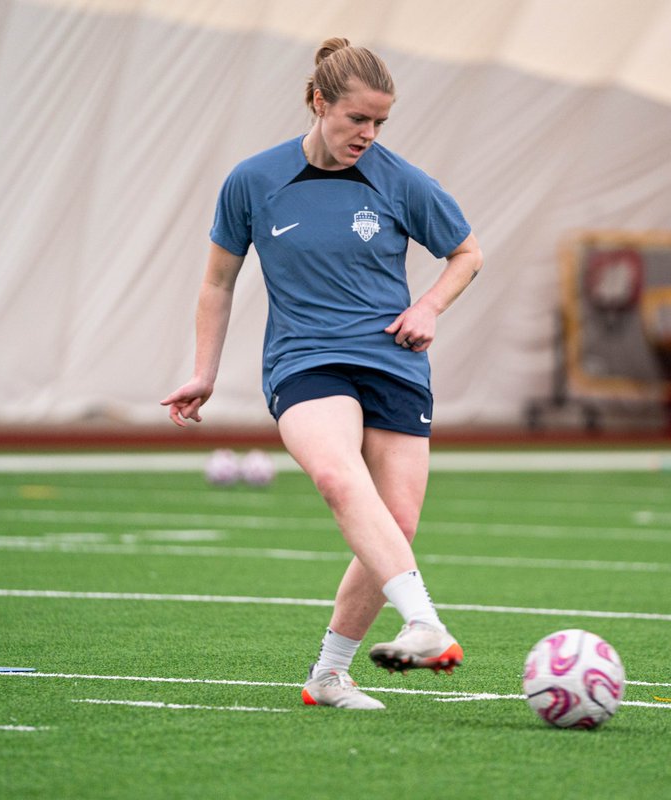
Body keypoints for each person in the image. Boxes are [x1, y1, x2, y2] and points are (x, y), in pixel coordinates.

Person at [161, 38, 482, 708]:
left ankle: (328, 675)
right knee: (339, 477)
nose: (367, 134)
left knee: (395, 520)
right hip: (305, 361)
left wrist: (429, 305)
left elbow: (467, 253)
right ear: (317, 101)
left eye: (379, 123)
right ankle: (424, 622)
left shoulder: (400, 180)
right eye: (355, 120)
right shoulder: (254, 181)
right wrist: (203, 372)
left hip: (395, 364)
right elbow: (217, 284)